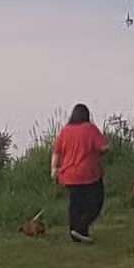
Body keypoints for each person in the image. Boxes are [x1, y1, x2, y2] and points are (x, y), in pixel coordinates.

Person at [51, 104, 109, 243]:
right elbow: (104, 147)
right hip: (89, 173)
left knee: (75, 205)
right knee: (96, 202)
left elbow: (56, 152)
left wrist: (54, 169)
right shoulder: (90, 129)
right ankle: (81, 228)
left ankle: (75, 234)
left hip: (69, 175)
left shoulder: (65, 131)